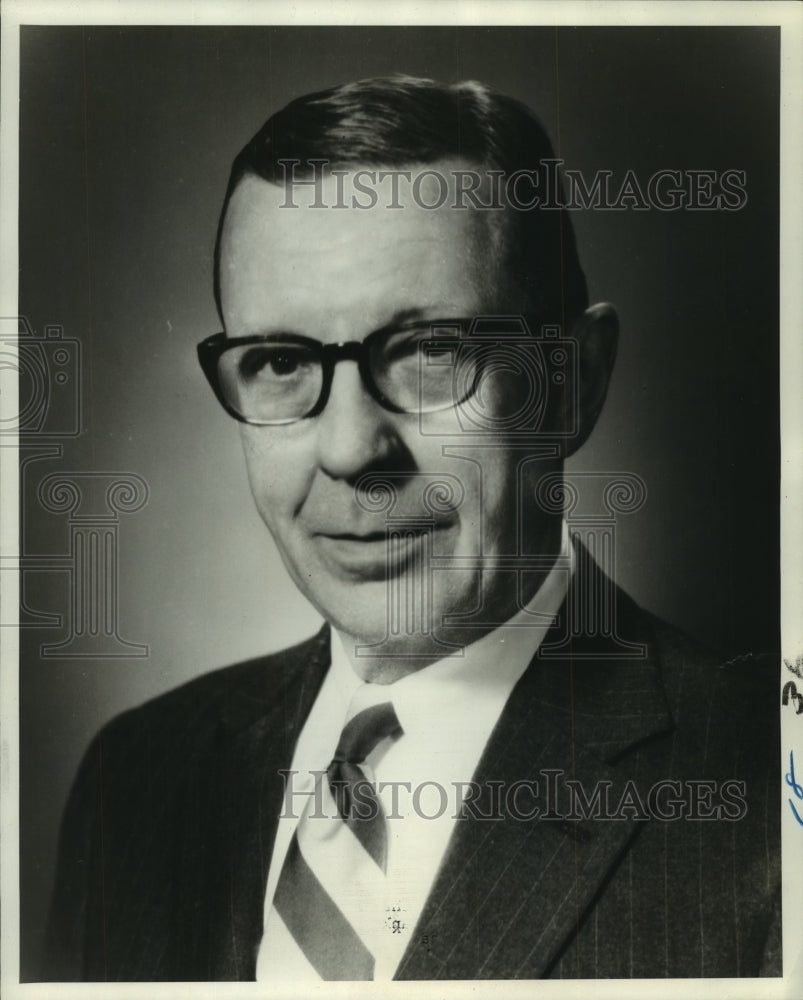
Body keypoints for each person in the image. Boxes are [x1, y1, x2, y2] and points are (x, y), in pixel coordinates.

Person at [44, 75, 780, 981]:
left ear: (572, 383)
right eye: (280, 359)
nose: (353, 449)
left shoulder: (765, 797)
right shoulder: (137, 780)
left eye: (432, 351)